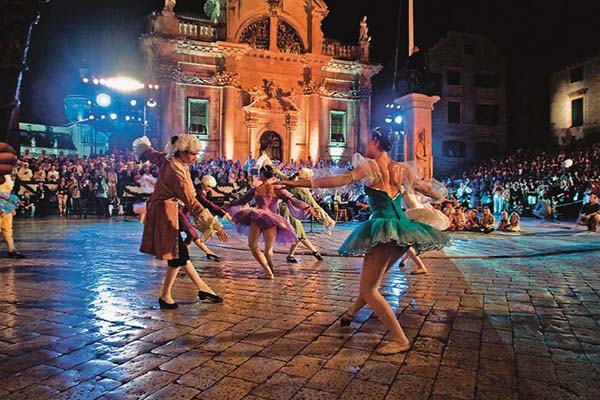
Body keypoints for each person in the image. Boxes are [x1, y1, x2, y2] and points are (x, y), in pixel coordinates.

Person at [282, 127, 449, 355]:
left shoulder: (370, 166)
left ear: (376, 141)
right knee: (373, 282)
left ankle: (400, 339)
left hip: (383, 228)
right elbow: (424, 188)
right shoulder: (400, 169)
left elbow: (336, 181)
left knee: (369, 289)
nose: (365, 144)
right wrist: (440, 196)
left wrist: (296, 184)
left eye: (368, 140)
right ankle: (350, 314)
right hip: (403, 230)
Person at [133, 135, 228, 309]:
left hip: (166, 210)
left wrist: (146, 149)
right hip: (165, 214)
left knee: (179, 254)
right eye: (193, 154)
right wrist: (214, 225)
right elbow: (192, 202)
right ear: (182, 152)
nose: (195, 157)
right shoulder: (178, 175)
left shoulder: (169, 159)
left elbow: (152, 154)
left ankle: (185, 292)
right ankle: (175, 294)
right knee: (179, 254)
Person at [227, 164, 313, 279]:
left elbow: (242, 200)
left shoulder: (257, 189)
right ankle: (270, 269)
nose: (258, 175)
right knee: (268, 248)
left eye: (260, 173)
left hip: (258, 216)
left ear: (262, 174)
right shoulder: (276, 188)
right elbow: (292, 199)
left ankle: (268, 271)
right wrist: (307, 207)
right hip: (272, 218)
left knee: (253, 245)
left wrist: (229, 204)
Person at [0, 174, 26, 258]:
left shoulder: (7, 176)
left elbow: (8, 192)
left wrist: (10, 206)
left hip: (5, 205)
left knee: (7, 229)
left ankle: (12, 250)